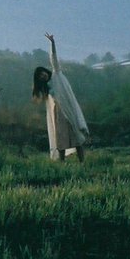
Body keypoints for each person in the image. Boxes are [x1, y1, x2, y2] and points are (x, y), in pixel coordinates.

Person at [33, 32, 89, 162]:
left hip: (68, 110)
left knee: (76, 138)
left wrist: (52, 43)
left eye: (43, 73)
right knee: (61, 140)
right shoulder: (46, 88)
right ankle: (62, 163)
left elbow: (54, 59)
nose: (43, 76)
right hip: (58, 114)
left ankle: (82, 162)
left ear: (45, 72)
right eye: (40, 76)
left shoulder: (56, 75)